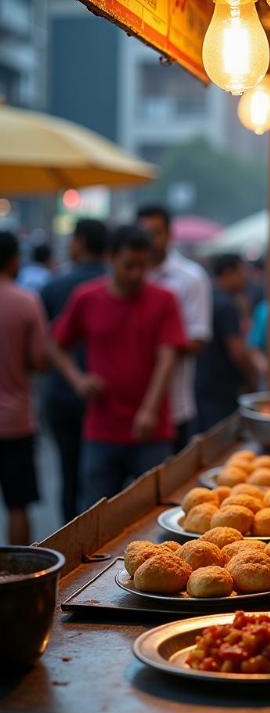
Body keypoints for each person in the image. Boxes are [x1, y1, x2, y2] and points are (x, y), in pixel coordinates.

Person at [50, 226, 185, 508]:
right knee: (95, 514)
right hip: (102, 429)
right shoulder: (86, 297)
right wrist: (78, 380)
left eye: (143, 266)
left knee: (154, 512)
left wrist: (149, 409)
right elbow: (55, 344)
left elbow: (168, 356)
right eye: (129, 266)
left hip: (152, 430)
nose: (137, 274)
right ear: (110, 258)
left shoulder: (165, 299)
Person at [40, 219, 108, 522]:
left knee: (69, 473)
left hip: (63, 395)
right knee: (103, 482)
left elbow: (46, 342)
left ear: (80, 242)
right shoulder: (114, 285)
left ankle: (69, 538)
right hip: (106, 397)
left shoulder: (54, 286)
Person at [137, 205, 211, 452]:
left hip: (174, 404)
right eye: (143, 233)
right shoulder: (128, 276)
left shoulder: (190, 277)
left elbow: (197, 339)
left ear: (169, 234)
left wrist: (160, 347)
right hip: (125, 408)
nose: (150, 240)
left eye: (155, 233)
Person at [0, 232, 48, 544]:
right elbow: (40, 360)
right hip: (15, 421)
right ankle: (17, 580)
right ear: (15, 259)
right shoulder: (26, 301)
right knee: (18, 505)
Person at [195, 253, 254, 431]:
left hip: (203, 384)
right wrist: (251, 379)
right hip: (222, 390)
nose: (246, 278)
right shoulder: (226, 305)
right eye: (242, 272)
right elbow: (237, 352)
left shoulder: (208, 297)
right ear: (229, 273)